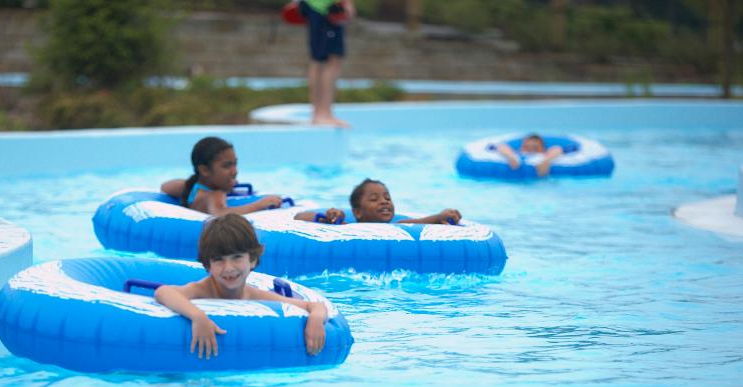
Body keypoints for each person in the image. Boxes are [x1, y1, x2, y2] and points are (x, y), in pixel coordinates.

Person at [154, 214, 327, 359]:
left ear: (252, 259)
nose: (228, 268)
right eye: (219, 259)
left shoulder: (254, 295)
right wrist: (197, 316)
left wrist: (316, 319)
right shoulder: (202, 290)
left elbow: (314, 306)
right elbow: (163, 292)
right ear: (208, 265)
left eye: (236, 257)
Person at [160, 136, 283, 216]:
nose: (235, 171)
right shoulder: (214, 195)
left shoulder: (191, 188)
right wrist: (260, 204)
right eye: (226, 166)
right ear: (204, 170)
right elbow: (219, 213)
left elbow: (165, 186)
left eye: (235, 164)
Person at [294, 178, 462, 225]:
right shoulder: (347, 227)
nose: (384, 202)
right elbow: (300, 217)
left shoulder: (397, 227)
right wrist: (327, 215)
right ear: (357, 212)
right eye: (374, 199)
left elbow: (419, 223)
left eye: (387, 198)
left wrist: (441, 216)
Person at [299, 0, 355, 127]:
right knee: (323, 61)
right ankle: (321, 115)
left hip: (324, 8)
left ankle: (323, 113)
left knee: (327, 60)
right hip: (322, 8)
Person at [495, 133, 564, 177]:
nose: (530, 150)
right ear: (521, 147)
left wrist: (546, 161)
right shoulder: (515, 153)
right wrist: (511, 157)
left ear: (543, 149)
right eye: (526, 147)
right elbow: (501, 146)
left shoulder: (545, 154)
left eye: (535, 148)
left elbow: (558, 149)